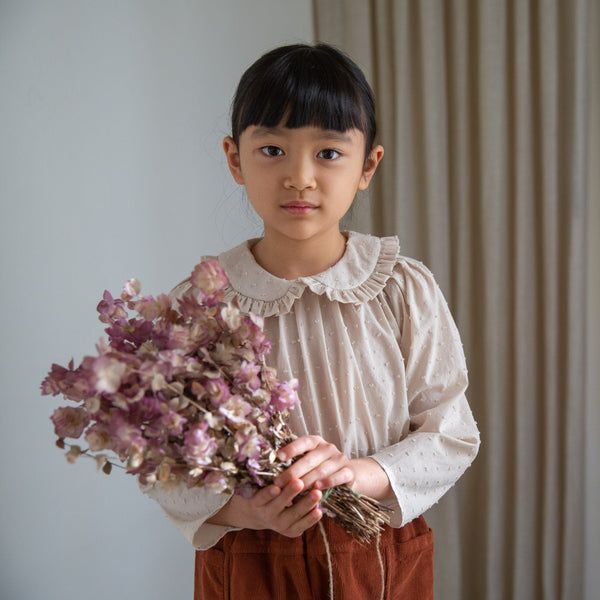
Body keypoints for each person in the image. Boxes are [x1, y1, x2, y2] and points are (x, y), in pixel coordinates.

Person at [144, 43, 480, 599]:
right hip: (249, 561)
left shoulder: (401, 288)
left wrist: (358, 475)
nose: (299, 177)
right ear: (235, 159)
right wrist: (246, 509)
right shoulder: (201, 306)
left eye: (328, 153)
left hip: (377, 555)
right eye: (273, 149)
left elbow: (449, 433)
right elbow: (165, 463)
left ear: (367, 166)